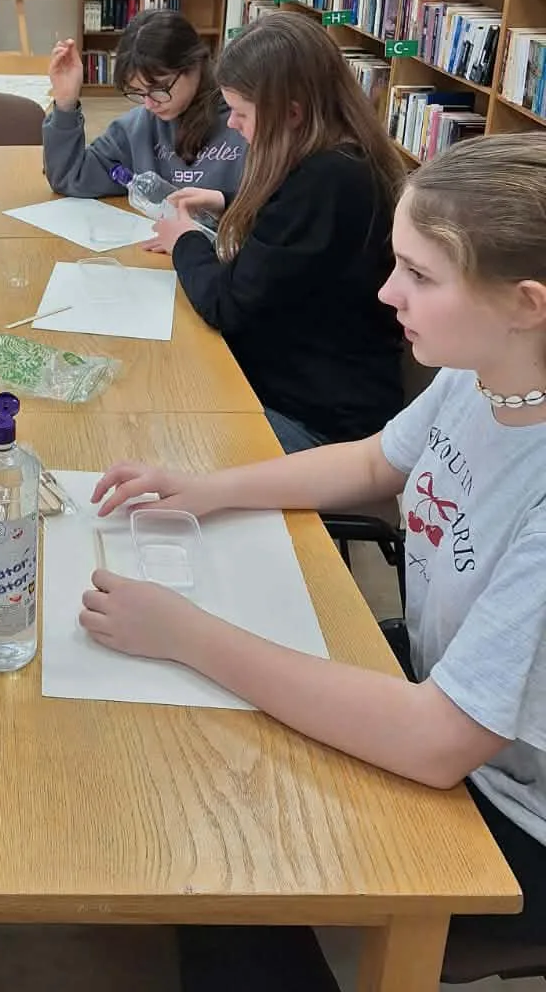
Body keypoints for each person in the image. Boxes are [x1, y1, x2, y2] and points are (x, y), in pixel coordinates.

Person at [84, 132, 546, 984]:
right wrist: (206, 488)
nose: (387, 291)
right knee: (195, 738)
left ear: (526, 303)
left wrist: (187, 633)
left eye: (419, 275)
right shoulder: (485, 369)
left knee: (224, 854)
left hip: (512, 807)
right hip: (443, 688)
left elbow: (437, 742)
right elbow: (375, 463)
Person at [143, 16, 405, 450]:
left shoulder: (326, 182)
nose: (232, 124)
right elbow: (294, 235)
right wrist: (226, 199)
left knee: (160, 420)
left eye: (241, 113)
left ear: (292, 113)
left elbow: (226, 304)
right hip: (305, 385)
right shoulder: (342, 159)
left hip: (319, 423)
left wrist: (184, 239)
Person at [42, 10, 246, 204]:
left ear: (196, 65)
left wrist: (223, 205)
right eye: (138, 92)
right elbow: (70, 177)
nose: (149, 104)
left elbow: (262, 209)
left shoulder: (245, 122)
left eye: (159, 88)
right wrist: (66, 104)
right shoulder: (138, 128)